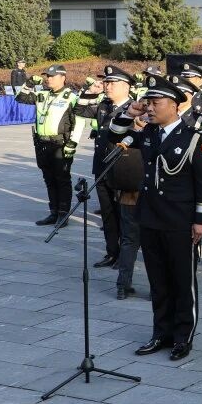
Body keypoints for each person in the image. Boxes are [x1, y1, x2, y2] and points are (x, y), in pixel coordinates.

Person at [109, 76, 202, 360]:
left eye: (156, 103)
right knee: (158, 281)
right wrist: (129, 113)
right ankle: (161, 333)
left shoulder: (195, 137)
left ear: (174, 105)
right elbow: (114, 136)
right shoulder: (149, 134)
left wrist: (201, 220)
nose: (150, 108)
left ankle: (183, 337)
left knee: (182, 281)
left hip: (180, 220)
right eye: (149, 103)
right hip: (150, 217)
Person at [73, 65, 137, 271]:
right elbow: (79, 110)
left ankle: (125, 255)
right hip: (102, 167)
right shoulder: (104, 105)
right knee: (108, 214)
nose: (107, 86)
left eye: (112, 83)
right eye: (106, 82)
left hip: (122, 169)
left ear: (126, 86)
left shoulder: (134, 108)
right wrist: (89, 92)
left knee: (123, 215)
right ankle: (112, 252)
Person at [15, 65, 79, 225]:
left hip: (60, 144)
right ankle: (54, 212)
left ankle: (63, 214)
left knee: (62, 179)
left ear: (63, 78)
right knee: (49, 179)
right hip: (42, 143)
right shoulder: (42, 94)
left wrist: (72, 143)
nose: (48, 79)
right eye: (47, 76)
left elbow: (78, 122)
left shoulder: (71, 97)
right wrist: (29, 83)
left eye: (52, 76)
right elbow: (20, 98)